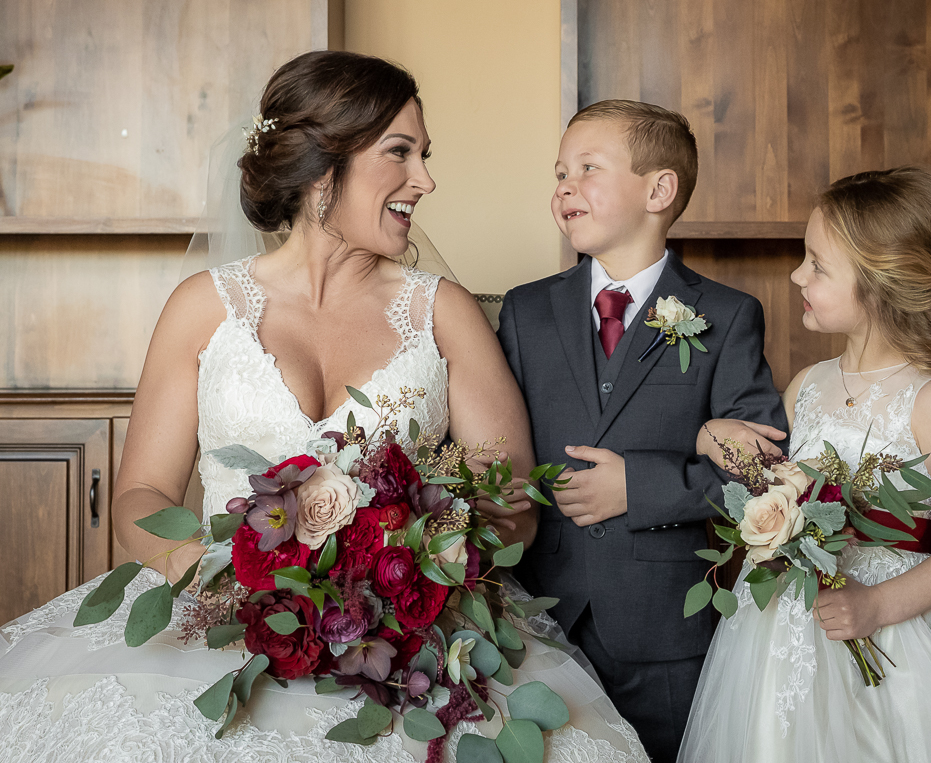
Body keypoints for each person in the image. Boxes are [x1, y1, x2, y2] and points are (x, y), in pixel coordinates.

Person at [0, 51, 648, 762]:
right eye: (400, 152)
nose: (426, 180)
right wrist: (215, 577)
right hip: (220, 618)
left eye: (425, 155)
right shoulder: (201, 307)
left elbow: (514, 505)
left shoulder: (445, 314)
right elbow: (140, 494)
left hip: (408, 634)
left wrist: (411, 553)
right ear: (320, 166)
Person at [678, 167, 931, 762]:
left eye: (817, 265)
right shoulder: (807, 385)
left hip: (895, 627)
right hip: (788, 626)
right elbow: (772, 480)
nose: (797, 274)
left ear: (883, 286)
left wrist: (876, 606)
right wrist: (711, 436)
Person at [497, 99, 788, 762]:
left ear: (659, 190)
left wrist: (642, 485)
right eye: (559, 172)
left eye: (588, 169)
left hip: (666, 632)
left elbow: (762, 474)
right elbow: (493, 447)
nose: (564, 187)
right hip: (539, 615)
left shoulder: (728, 315)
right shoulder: (525, 310)